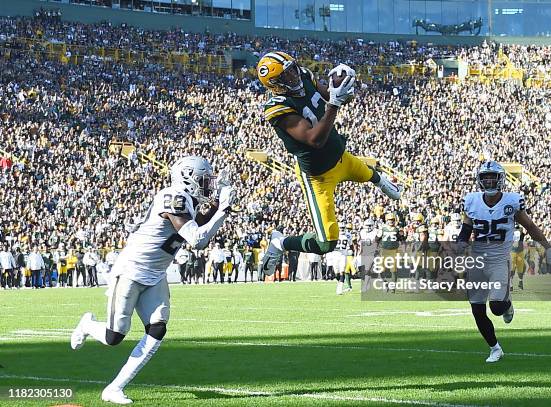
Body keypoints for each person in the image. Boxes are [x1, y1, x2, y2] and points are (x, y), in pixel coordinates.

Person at [70, 156, 235, 404]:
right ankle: (87, 325)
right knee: (114, 337)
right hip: (132, 271)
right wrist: (222, 210)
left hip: (156, 273)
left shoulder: (187, 200)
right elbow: (198, 239)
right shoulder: (174, 197)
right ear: (188, 178)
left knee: (157, 328)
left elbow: (198, 222)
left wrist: (216, 202)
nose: (206, 184)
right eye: (203, 180)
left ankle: (114, 388)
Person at [256, 51, 402, 276]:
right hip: (318, 176)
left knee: (367, 173)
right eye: (287, 76)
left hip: (341, 157)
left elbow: (333, 95)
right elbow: (315, 139)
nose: (294, 76)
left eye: (293, 69)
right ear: (275, 84)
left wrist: (343, 86)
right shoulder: (277, 107)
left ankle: (380, 180)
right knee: (326, 243)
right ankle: (280, 243)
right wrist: (335, 103)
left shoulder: (303, 75)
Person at [458, 161, 551, 363]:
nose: (488, 180)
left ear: (500, 179)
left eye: (492, 177)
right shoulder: (471, 201)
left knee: (496, 307)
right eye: (485, 177)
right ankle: (495, 348)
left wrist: (548, 247)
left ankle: (507, 304)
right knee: (477, 309)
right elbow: (466, 229)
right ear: (480, 180)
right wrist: (459, 246)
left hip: (498, 260)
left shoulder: (512, 201)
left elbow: (530, 226)